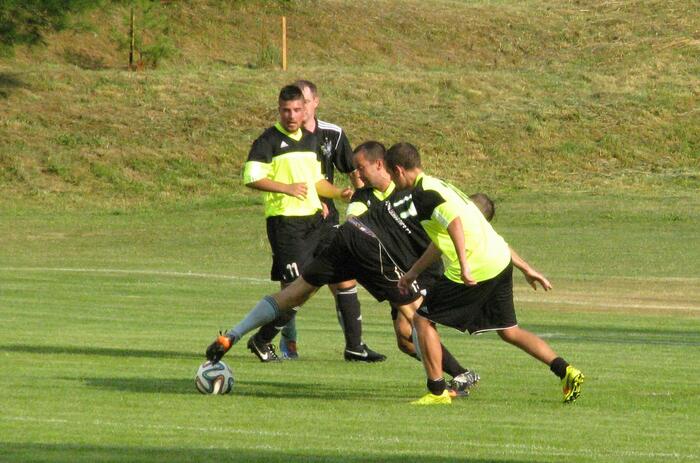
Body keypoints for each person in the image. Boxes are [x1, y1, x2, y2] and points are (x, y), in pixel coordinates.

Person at [206, 141, 480, 396]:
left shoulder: (411, 192)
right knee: (415, 316)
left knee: (295, 293)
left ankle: (232, 335)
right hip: (372, 248)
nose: (357, 174)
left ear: (385, 166)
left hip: (350, 239)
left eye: (361, 168)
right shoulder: (408, 193)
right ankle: (454, 378)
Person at [383, 142, 584, 405]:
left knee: (422, 320)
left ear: (399, 170)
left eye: (390, 173)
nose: (391, 180)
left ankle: (437, 391)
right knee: (509, 331)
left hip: (477, 267)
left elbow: (454, 224)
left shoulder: (423, 194)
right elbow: (444, 239)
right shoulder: (441, 185)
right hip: (499, 260)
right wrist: (412, 274)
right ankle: (566, 371)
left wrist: (464, 265)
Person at [270, 79, 382, 362]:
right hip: (293, 222)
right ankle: (285, 342)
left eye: (305, 103)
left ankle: (355, 347)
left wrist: (361, 204)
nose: (300, 109)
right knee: (293, 287)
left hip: (327, 222)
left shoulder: (332, 134)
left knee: (344, 278)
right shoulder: (278, 139)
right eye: (295, 105)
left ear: (315, 103)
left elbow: (354, 171)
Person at [241, 84, 354, 362]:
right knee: (294, 290)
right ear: (279, 110)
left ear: (305, 110)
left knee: (322, 280)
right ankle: (264, 340)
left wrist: (338, 193)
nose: (291, 116)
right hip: (286, 224)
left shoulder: (311, 140)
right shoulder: (268, 140)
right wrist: (286, 188)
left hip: (315, 222)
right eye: (285, 110)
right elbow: (251, 177)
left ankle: (356, 346)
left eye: (295, 110)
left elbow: (316, 182)